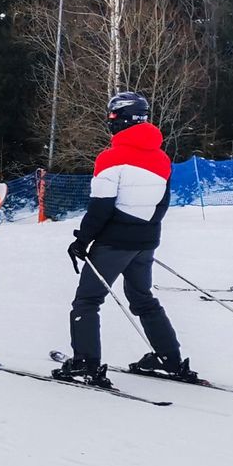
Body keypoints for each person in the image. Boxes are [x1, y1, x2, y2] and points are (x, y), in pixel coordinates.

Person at [56, 92, 199, 387]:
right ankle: (169, 358)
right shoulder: (161, 157)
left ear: (120, 120)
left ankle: (85, 362)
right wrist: (144, 233)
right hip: (145, 241)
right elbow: (162, 203)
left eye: (111, 118)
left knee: (87, 300)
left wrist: (82, 241)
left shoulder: (111, 158)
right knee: (142, 298)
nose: (109, 123)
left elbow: (100, 208)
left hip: (114, 243)